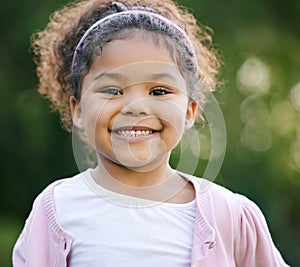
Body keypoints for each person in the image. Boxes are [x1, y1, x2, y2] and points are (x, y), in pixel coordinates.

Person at [13, 0, 289, 266]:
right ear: (78, 111)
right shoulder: (57, 211)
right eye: (112, 90)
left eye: (159, 91)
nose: (136, 107)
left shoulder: (232, 216)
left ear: (190, 111)